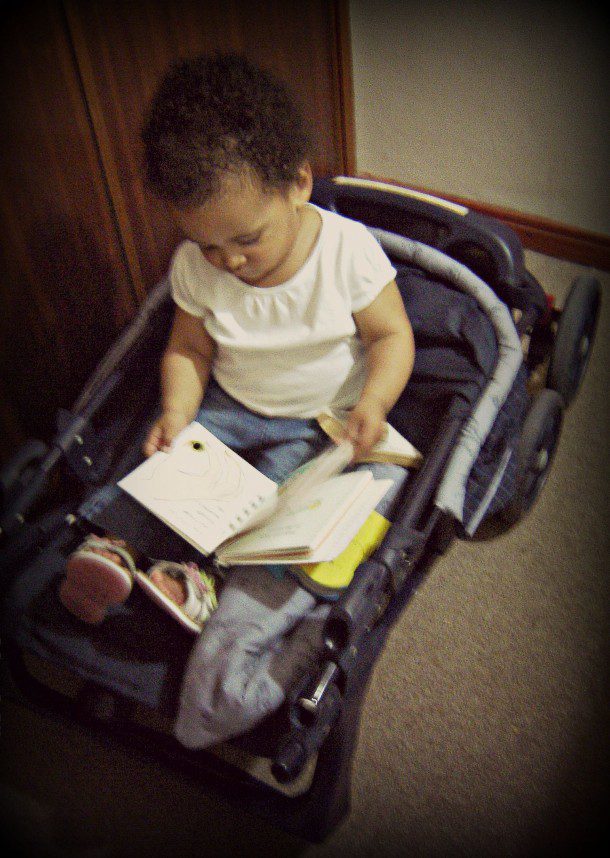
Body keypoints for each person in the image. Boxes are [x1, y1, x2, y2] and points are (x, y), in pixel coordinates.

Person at [59, 53, 414, 744]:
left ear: (299, 184)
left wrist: (374, 401)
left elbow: (392, 336)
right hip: (228, 405)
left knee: (269, 515)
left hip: (317, 422)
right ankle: (116, 547)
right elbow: (188, 349)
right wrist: (177, 411)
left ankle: (200, 584)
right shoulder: (197, 266)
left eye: (247, 239)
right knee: (165, 473)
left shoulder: (347, 253)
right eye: (208, 245)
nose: (229, 261)